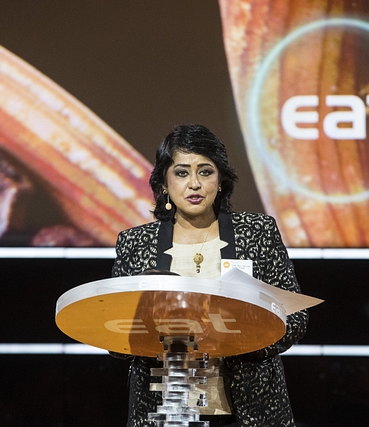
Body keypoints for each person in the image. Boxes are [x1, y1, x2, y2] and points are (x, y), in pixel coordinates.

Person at [111, 124, 308, 427]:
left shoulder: (258, 232)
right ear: (163, 182)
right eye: (181, 172)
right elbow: (117, 337)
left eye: (205, 172)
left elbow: (296, 317)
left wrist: (242, 340)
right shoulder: (135, 243)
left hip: (249, 408)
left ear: (221, 181)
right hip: (165, 410)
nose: (194, 184)